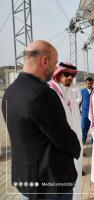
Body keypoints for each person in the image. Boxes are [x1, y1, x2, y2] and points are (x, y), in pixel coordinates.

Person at [1, 40, 81, 200]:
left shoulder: (10, 92)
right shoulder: (42, 93)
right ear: (45, 61)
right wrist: (77, 148)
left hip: (27, 181)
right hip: (50, 183)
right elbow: (63, 137)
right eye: (55, 63)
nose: (55, 68)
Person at [49, 62, 83, 200]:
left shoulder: (70, 92)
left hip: (76, 141)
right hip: (63, 146)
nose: (70, 77)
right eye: (66, 74)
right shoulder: (52, 92)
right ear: (58, 74)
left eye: (72, 75)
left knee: (77, 174)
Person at [81, 77, 94, 144]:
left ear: (92, 83)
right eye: (88, 83)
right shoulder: (82, 91)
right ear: (86, 83)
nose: (89, 85)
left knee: (93, 128)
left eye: (90, 83)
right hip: (85, 114)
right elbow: (80, 101)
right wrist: (78, 110)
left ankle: (93, 142)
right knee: (83, 128)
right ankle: (83, 141)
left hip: (93, 114)